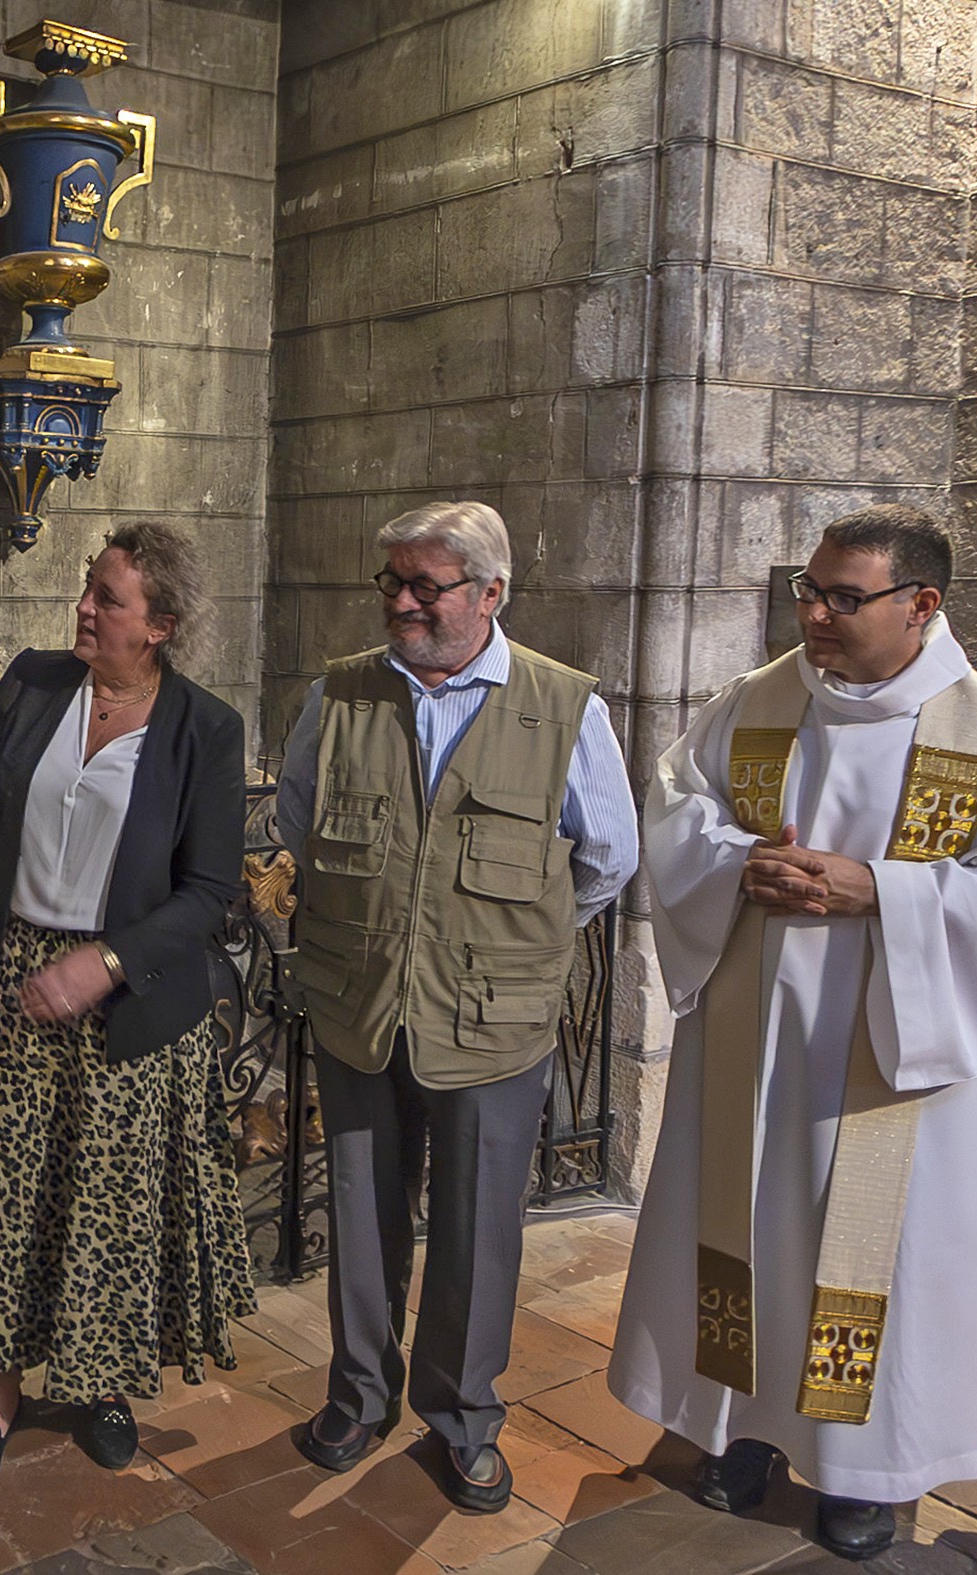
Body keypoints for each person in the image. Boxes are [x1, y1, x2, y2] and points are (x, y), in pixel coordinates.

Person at [607, 506, 977, 1561]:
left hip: (897, 1063)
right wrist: (737, 861)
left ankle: (863, 1476)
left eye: (842, 598)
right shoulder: (758, 702)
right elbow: (676, 802)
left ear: (922, 605)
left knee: (871, 1264)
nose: (815, 615)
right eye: (808, 592)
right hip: (758, 1052)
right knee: (752, 1234)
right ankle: (739, 1431)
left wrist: (884, 890)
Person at [275, 500, 637, 1511]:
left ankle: (463, 1416)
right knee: (360, 1214)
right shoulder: (339, 697)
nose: (400, 602)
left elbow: (606, 858)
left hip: (494, 1017)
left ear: (489, 593)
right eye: (390, 580)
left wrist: (502, 944)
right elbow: (301, 822)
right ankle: (356, 1397)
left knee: (479, 1231)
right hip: (360, 1002)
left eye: (424, 585)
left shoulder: (564, 707)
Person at [0, 521, 255, 1490]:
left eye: (108, 598)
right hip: (10, 977)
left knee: (108, 1196)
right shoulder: (34, 680)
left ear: (162, 627)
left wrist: (104, 963)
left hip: (125, 996)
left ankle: (100, 1384)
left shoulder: (207, 731)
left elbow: (210, 890)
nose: (83, 607)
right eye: (88, 588)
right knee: (7, 1186)